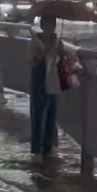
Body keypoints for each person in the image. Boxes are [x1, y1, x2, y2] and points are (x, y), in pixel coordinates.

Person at [29, 15, 63, 159]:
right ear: (42, 25)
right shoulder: (35, 41)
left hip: (53, 79)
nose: (50, 28)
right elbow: (33, 60)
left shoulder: (57, 41)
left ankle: (48, 148)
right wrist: (47, 48)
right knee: (38, 114)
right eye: (47, 24)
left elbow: (61, 58)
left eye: (52, 25)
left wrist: (58, 48)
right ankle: (37, 150)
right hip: (39, 79)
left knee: (51, 114)